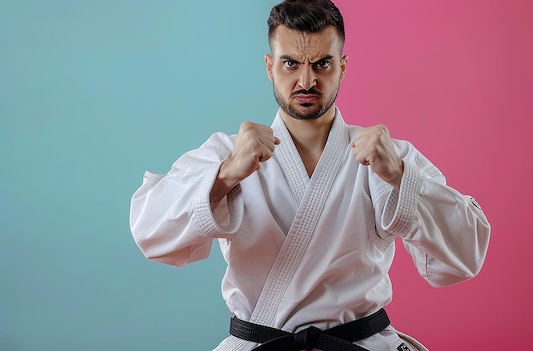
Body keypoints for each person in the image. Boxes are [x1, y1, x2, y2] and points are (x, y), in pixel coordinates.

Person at [129, 0, 491, 350]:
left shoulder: (387, 157)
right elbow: (150, 232)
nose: (306, 80)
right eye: (290, 64)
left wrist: (398, 175)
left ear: (342, 67)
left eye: (322, 64)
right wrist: (225, 176)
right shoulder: (227, 154)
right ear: (269, 67)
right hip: (262, 343)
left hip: (360, 343)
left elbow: (466, 254)